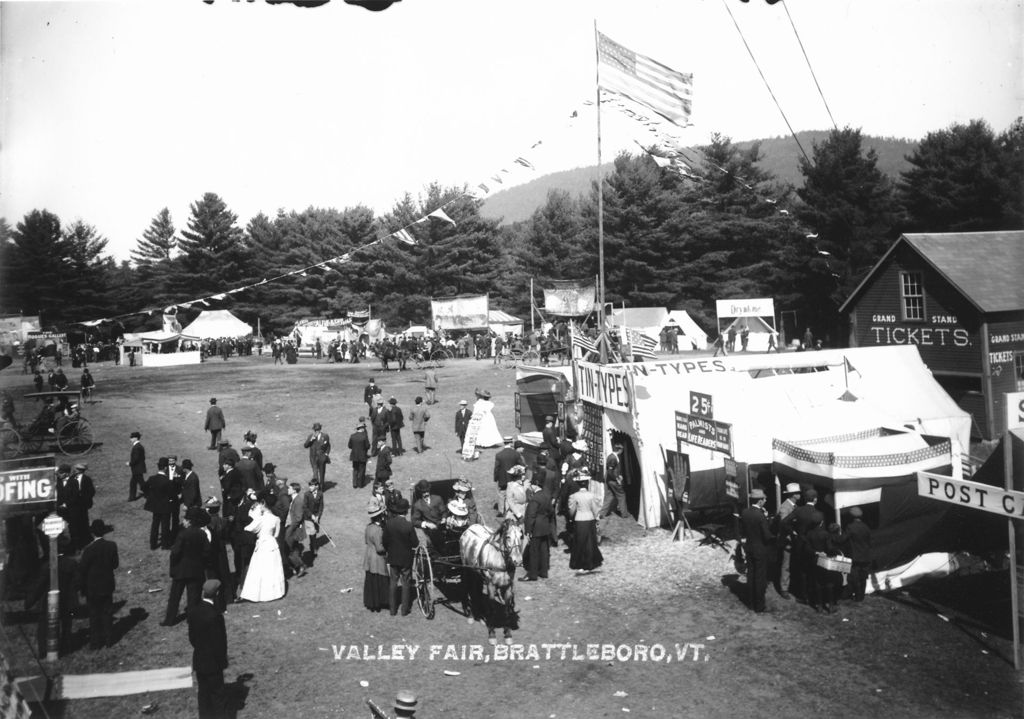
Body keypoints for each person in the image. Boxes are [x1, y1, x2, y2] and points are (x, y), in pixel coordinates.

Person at [187, 579, 229, 719]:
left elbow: (192, 638)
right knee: (218, 697)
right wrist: (222, 661)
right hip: (214, 663)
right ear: (216, 594)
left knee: (203, 695)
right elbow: (220, 644)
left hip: (199, 660)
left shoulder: (194, 611)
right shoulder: (215, 616)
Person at [163, 507, 211, 626]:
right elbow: (206, 552)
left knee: (175, 596)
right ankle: (192, 619)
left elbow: (175, 553)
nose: (183, 521)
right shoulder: (202, 534)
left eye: (185, 519)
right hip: (196, 569)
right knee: (193, 597)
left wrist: (173, 567)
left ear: (189, 521)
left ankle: (170, 619)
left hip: (181, 569)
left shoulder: (182, 534)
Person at [77, 519, 119, 649]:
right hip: (107, 585)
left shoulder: (88, 550)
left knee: (94, 615)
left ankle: (95, 642)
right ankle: (109, 640)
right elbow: (115, 564)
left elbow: (82, 570)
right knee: (107, 612)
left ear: (92, 533)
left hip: (93, 587)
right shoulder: (111, 546)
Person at [238, 490, 286, 602]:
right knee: (272, 568)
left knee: (259, 568)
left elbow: (248, 529)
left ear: (263, 503)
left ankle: (260, 593)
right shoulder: (276, 519)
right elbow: (276, 534)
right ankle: (274, 593)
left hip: (263, 544)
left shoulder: (261, 519)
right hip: (272, 543)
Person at [382, 497, 418, 616]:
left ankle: (392, 610)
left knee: (393, 582)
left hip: (393, 557)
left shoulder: (389, 523)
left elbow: (385, 541)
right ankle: (405, 610)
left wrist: (389, 551)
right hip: (406, 559)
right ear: (406, 512)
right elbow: (415, 543)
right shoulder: (408, 525)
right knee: (406, 583)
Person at [740, 489, 774, 613]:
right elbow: (766, 535)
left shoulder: (745, 512)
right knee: (760, 578)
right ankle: (759, 606)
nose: (765, 501)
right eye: (764, 499)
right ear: (760, 501)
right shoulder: (760, 515)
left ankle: (750, 602)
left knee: (751, 575)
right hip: (760, 549)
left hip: (749, 547)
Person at [567, 468, 602, 573]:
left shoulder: (574, 496)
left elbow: (571, 510)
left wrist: (571, 518)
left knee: (580, 542)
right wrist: (596, 518)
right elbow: (596, 509)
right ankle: (591, 562)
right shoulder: (592, 495)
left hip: (579, 519)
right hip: (590, 518)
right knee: (590, 542)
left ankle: (581, 563)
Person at [58, 462, 96, 551]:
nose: (75, 470)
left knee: (82, 522)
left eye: (77, 469)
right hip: (70, 506)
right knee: (73, 525)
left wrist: (85, 500)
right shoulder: (71, 479)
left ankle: (83, 541)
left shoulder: (85, 479)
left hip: (80, 505)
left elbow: (90, 492)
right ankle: (76, 542)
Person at [523, 476, 553, 581]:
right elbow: (550, 511)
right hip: (545, 526)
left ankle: (533, 574)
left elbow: (531, 516)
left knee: (534, 551)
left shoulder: (535, 498)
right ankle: (544, 572)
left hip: (536, 527)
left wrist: (528, 531)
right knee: (544, 550)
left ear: (535, 485)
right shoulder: (546, 495)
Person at [839, 506, 872, 602]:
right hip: (866, 556)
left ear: (851, 517)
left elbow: (842, 539)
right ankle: (861, 597)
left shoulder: (850, 527)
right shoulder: (866, 527)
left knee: (855, 577)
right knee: (864, 577)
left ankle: (855, 596)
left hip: (855, 556)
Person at [363, 500, 390, 612]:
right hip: (377, 559)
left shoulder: (368, 527)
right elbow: (380, 548)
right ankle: (380, 602)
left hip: (368, 556)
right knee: (380, 581)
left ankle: (371, 603)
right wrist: (388, 547)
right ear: (379, 516)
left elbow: (366, 541)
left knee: (370, 581)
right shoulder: (378, 530)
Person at [145, 457, 175, 550]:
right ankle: (165, 545)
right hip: (165, 506)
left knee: (155, 524)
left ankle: (153, 544)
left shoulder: (152, 478)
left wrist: (150, 496)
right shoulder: (167, 481)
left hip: (155, 506)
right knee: (165, 526)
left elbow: (143, 487)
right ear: (165, 468)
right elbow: (171, 495)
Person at [284, 483, 309, 578]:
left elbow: (298, 518)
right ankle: (296, 567)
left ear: (294, 490)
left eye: (290, 488)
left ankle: (299, 565)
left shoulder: (298, 501)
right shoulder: (294, 499)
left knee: (287, 549)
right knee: (293, 549)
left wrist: (289, 529)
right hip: (291, 527)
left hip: (293, 529)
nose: (288, 489)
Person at [493, 436, 524, 512]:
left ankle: (501, 511)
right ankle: (510, 510)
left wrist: (495, 478)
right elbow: (522, 466)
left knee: (501, 495)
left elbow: (496, 468)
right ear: (511, 443)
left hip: (502, 479)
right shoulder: (516, 454)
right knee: (512, 496)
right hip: (513, 479)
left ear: (504, 443)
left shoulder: (499, 455)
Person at [411, 479, 444, 549]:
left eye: (427, 491)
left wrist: (444, 518)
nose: (426, 494)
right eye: (423, 492)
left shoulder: (437, 499)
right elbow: (414, 521)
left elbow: (444, 512)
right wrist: (426, 524)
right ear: (420, 492)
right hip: (430, 530)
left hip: (441, 526)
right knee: (431, 542)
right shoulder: (418, 505)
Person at [600, 442, 626, 519]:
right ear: (619, 449)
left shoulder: (612, 456)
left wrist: (619, 475)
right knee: (622, 495)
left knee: (610, 496)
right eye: (622, 449)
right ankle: (624, 514)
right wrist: (617, 478)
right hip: (613, 480)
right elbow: (610, 471)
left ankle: (602, 513)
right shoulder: (613, 458)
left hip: (610, 480)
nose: (622, 451)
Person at [348, 422, 371, 489]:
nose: (364, 429)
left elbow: (349, 446)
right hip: (362, 456)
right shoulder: (364, 437)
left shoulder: (352, 436)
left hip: (354, 456)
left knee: (355, 469)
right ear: (361, 428)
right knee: (362, 470)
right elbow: (367, 446)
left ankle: (354, 484)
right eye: (363, 428)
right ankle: (360, 484)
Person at [126, 431, 146, 501]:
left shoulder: (137, 447)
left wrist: (130, 463)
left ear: (136, 438)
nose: (130, 439)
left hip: (137, 468)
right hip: (138, 468)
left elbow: (136, 459)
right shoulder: (138, 446)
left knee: (139, 483)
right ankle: (132, 497)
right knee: (135, 483)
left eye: (131, 437)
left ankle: (132, 497)